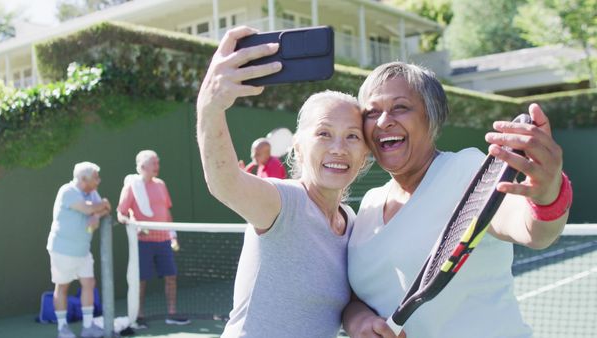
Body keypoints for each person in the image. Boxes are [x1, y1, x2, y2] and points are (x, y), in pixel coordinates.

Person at [342, 62, 572, 338]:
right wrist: (359, 320)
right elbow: (357, 297)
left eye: (400, 107)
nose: (383, 121)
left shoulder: (468, 171)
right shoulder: (369, 202)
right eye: (372, 112)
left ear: (431, 116)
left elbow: (533, 231)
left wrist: (547, 195)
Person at [196, 26, 371, 338]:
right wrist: (209, 106)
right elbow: (225, 183)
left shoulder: (352, 222)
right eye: (324, 133)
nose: (338, 148)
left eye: (352, 136)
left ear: (364, 155)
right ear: (298, 148)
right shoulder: (283, 202)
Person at [116, 150, 190, 327]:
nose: (157, 167)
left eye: (158, 163)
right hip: (143, 243)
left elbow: (167, 212)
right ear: (142, 166)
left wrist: (173, 235)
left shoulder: (161, 185)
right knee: (141, 280)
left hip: (164, 240)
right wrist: (135, 225)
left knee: (171, 276)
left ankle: (172, 313)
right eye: (154, 163)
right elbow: (121, 214)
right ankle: (139, 316)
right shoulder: (131, 187)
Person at [46, 162, 111, 338]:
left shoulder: (92, 193)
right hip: (63, 250)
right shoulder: (67, 191)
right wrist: (99, 207)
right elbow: (91, 207)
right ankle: (62, 329)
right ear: (83, 179)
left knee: (89, 284)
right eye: (95, 177)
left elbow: (106, 208)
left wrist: (97, 214)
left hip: (83, 251)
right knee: (62, 287)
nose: (99, 181)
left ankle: (88, 327)